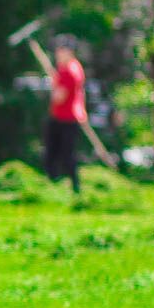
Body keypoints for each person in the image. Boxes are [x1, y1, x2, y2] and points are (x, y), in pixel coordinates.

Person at [44, 34, 87, 193]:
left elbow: (58, 97)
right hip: (63, 117)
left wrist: (53, 86)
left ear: (69, 51)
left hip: (66, 118)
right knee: (55, 154)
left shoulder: (69, 71)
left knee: (62, 156)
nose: (57, 53)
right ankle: (59, 185)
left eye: (61, 50)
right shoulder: (71, 68)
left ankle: (72, 187)